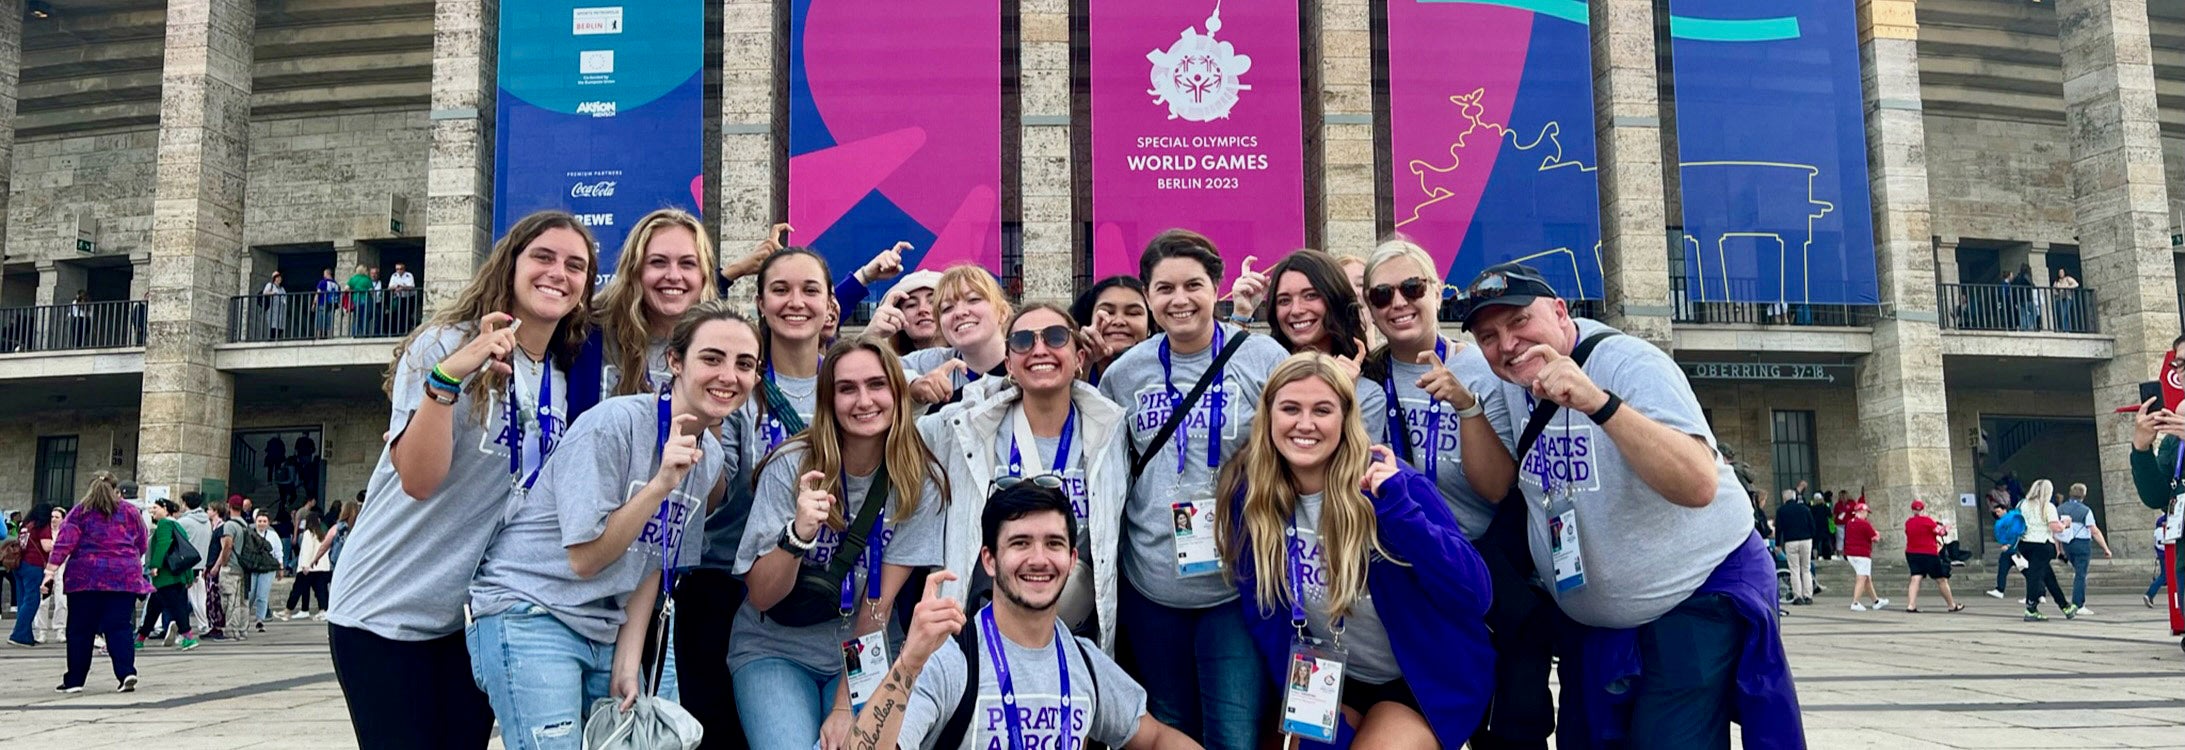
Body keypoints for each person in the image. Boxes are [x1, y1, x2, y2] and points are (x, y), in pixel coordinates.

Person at [1456, 261, 1800, 748]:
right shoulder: (1514, 386)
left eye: (1518, 322)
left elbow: (1698, 482)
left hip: (1691, 595)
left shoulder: (1629, 364)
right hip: (1594, 622)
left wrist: (1600, 404)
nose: (1507, 344)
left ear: (1559, 311)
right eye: (1488, 337)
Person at [326, 210, 597, 748]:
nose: (558, 273)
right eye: (543, 257)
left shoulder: (567, 377)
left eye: (576, 265)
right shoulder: (446, 344)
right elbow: (419, 481)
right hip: (384, 610)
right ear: (511, 263)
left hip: (471, 619)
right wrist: (447, 380)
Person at [467, 301, 755, 747]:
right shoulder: (613, 424)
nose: (728, 376)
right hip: (532, 608)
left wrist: (628, 657)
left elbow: (655, 560)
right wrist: (659, 485)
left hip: (603, 624)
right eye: (712, 358)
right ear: (675, 362)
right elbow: (585, 558)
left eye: (745, 364)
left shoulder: (709, 456)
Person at [1218, 353, 1494, 747]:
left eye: (1323, 410)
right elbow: (1265, 617)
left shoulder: (1391, 486)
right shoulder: (1253, 499)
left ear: (1346, 418)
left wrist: (1401, 513)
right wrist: (1313, 718)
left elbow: (1476, 595)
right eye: (1290, 408)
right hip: (1330, 677)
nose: (1305, 424)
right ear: (1268, 416)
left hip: (1422, 678)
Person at [1096, 229, 1289, 748]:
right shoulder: (1124, 373)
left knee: (1233, 734)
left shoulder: (1263, 359)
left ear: (1217, 287)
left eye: (1193, 285)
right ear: (1149, 295)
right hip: (1150, 586)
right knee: (1172, 725)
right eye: (1164, 289)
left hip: (1233, 585)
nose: (1179, 300)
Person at [840, 483, 1202, 750]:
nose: (1039, 559)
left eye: (1054, 544)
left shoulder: (1085, 663)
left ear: (1072, 560)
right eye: (1020, 543)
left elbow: (1154, 738)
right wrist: (908, 664)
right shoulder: (950, 660)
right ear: (989, 560)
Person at [1356, 237, 1540, 747]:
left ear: (1437, 292)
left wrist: (1467, 408)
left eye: (1411, 287)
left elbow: (1499, 487)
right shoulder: (1366, 383)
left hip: (1482, 570)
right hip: (1407, 574)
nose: (1398, 303)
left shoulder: (1485, 368)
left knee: (1510, 721)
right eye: (1381, 295)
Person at [732, 338, 948, 749]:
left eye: (877, 385)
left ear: (898, 393)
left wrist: (846, 705)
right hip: (775, 646)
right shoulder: (791, 465)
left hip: (863, 644)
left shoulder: (918, 480)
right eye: (847, 388)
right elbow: (761, 597)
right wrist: (798, 536)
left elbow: (877, 605)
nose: (863, 400)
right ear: (828, 400)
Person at [920, 303, 1127, 646]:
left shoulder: (1112, 430)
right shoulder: (965, 428)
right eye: (1023, 341)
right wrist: (915, 395)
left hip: (1076, 630)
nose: (1039, 349)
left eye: (1056, 337)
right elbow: (890, 433)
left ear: (1078, 358)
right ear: (1009, 365)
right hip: (982, 630)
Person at [569, 208, 721, 423]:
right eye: (658, 262)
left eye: (687, 264)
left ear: (704, 275)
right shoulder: (586, 334)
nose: (674, 276)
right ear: (635, 270)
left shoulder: (716, 349)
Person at [42, 473, 150, 693]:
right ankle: (126, 672)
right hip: (123, 577)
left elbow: (64, 543)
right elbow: (142, 542)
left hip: (85, 578)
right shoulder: (130, 511)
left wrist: (50, 572)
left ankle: (75, 681)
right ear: (115, 488)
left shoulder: (79, 512)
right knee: (119, 627)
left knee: (80, 630)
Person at [905, 265, 1016, 403]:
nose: (959, 313)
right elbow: (877, 369)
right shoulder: (932, 362)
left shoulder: (1027, 362)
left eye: (973, 299)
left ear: (1003, 312)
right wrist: (912, 385)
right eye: (947, 308)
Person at [137, 499, 202, 651]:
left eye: (155, 508)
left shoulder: (164, 524)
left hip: (166, 576)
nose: (152, 511)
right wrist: (188, 576)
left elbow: (163, 544)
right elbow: (184, 552)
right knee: (154, 608)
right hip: (177, 575)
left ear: (165, 509)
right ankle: (140, 639)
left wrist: (155, 565)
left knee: (177, 607)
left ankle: (188, 637)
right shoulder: (178, 525)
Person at [1071, 275, 1155, 386]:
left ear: (1150, 324)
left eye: (1133, 313)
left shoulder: (1168, 370)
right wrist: (1083, 366)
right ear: (1088, 320)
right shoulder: (1063, 364)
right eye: (1108, 312)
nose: (1119, 321)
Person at [2013, 479, 2072, 621]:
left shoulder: (2022, 504)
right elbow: (2055, 527)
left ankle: (2064, 605)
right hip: (2042, 544)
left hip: (2025, 543)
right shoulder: (2048, 506)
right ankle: (2031, 608)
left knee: (2048, 576)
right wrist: (2065, 524)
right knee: (2035, 576)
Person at [2054, 483, 2111, 615]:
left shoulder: (2060, 509)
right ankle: (2078, 604)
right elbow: (2094, 531)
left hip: (2068, 544)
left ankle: (2078, 600)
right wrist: (2106, 548)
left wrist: (2058, 548)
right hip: (2082, 544)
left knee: (2078, 572)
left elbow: (2056, 531)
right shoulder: (2085, 510)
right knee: (2081, 574)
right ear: (2084, 495)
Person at [861, 268, 945, 355]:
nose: (922, 309)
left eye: (932, 301)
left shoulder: (959, 356)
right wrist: (869, 337)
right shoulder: (885, 365)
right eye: (911, 305)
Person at [8, 502, 57, 647]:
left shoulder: (26, 525)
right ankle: (19, 634)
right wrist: (60, 544)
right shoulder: (42, 525)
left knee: (23, 600)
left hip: (19, 564)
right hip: (33, 565)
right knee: (32, 600)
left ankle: (26, 635)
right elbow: (46, 546)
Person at [1900, 499, 1961, 613]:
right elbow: (1941, 532)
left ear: (1912, 510)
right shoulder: (1928, 521)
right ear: (1923, 509)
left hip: (1912, 553)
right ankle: (1951, 605)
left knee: (1915, 578)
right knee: (1941, 580)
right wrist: (1947, 528)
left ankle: (1911, 605)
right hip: (1928, 553)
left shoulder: (1908, 522)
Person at [172, 491, 213, 637]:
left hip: (186, 564)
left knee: (184, 598)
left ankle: (182, 627)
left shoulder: (184, 522)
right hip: (200, 563)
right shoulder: (207, 520)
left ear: (185, 503)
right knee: (199, 598)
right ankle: (204, 624)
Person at [282, 512, 332, 620]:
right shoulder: (322, 534)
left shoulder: (308, 533)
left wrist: (305, 565)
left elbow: (306, 550)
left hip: (309, 567)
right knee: (321, 590)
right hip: (322, 567)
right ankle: (323, 610)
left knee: (298, 589)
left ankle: (288, 610)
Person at [200, 499, 238, 641]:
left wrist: (216, 566)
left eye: (209, 509)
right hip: (210, 565)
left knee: (216, 597)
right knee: (210, 597)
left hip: (216, 567)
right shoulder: (214, 527)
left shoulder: (222, 528)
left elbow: (224, 549)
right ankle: (213, 625)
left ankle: (218, 626)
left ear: (216, 511)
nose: (207, 512)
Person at [1841, 502, 1888, 611]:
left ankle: (1876, 601)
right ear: (1861, 511)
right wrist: (1877, 534)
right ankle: (1855, 602)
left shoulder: (1849, 523)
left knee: (1867, 577)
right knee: (1862, 577)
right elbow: (1875, 538)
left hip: (1850, 554)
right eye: (1866, 512)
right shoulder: (1864, 524)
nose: (1867, 515)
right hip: (1862, 554)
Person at [1775, 489, 1816, 606]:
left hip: (1791, 541)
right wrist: (1812, 537)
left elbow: (1779, 529)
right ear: (1794, 497)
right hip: (1806, 540)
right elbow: (1812, 525)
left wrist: (1778, 544)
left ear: (1784, 499)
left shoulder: (1781, 511)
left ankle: (1798, 596)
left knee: (1794, 570)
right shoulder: (1804, 508)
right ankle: (1808, 596)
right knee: (1806, 568)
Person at [248, 511, 281, 632]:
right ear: (255, 522)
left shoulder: (273, 535)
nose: (262, 524)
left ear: (268, 523)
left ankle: (260, 620)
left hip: (268, 567)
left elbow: (278, 551)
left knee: (262, 595)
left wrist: (280, 567)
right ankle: (244, 617)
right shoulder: (249, 534)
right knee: (250, 594)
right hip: (253, 566)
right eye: (259, 521)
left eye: (264, 521)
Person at [1985, 502, 2022, 599]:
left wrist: (2009, 544)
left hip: (2015, 549)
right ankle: (2000, 589)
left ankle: (2039, 592)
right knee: (2002, 569)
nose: (1997, 513)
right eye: (1996, 512)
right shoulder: (2004, 521)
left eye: (1998, 511)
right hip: (2009, 550)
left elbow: (2016, 533)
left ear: (2004, 510)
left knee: (2027, 571)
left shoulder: (2013, 519)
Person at [388, 261, 418, 333]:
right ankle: (399, 330)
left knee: (407, 314)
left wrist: (403, 287)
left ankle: (407, 330)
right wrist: (396, 287)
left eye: (400, 269)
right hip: (399, 298)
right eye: (397, 269)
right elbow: (389, 287)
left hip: (409, 298)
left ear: (404, 269)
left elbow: (411, 286)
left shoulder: (409, 275)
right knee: (398, 314)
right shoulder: (394, 275)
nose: (399, 271)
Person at [347, 264, 376, 336]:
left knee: (356, 317)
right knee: (364, 317)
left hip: (356, 299)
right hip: (365, 300)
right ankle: (364, 333)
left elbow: (346, 288)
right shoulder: (367, 279)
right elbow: (371, 291)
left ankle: (355, 333)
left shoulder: (353, 279)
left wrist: (353, 291)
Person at [2147, 513, 2169, 609]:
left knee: (2165, 576)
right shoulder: (2167, 521)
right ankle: (2149, 594)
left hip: (2162, 554)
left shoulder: (2158, 525)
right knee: (2165, 576)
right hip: (2168, 554)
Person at [260, 271, 289, 340]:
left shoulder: (282, 289)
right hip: (273, 309)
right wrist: (272, 293)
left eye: (280, 277)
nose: (280, 279)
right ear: (275, 278)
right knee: (273, 325)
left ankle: (277, 338)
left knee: (280, 326)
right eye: (278, 277)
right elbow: (265, 293)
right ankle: (272, 339)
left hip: (281, 309)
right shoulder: (270, 285)